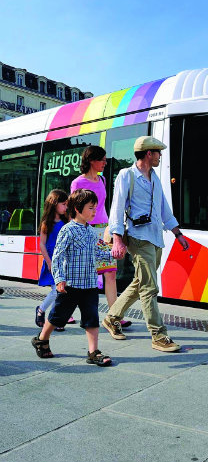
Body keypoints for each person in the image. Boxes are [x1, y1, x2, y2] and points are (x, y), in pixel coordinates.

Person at [103, 136, 189, 352]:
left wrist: (178, 234)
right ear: (148, 154)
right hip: (138, 238)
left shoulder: (154, 178)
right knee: (149, 287)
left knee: (140, 282)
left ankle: (112, 317)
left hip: (155, 238)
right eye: (158, 152)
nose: (160, 156)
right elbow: (117, 208)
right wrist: (117, 239)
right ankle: (158, 335)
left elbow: (163, 209)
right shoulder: (127, 175)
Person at [31, 189, 114, 366]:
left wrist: (113, 254)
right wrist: (59, 278)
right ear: (77, 208)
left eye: (95, 208)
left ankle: (93, 352)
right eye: (91, 208)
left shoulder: (92, 232)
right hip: (70, 285)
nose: (94, 212)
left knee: (92, 318)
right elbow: (58, 256)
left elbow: (99, 253)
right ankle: (42, 339)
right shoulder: (67, 230)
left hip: (90, 284)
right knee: (58, 316)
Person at [70, 145, 131, 329]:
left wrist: (112, 228)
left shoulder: (103, 179)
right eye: (102, 159)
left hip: (105, 230)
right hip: (87, 231)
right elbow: (74, 212)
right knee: (85, 275)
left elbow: (104, 206)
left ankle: (114, 316)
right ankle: (71, 311)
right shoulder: (77, 183)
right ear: (91, 160)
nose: (105, 162)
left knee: (110, 273)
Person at [35, 189, 69, 331]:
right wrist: (49, 262)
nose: (66, 207)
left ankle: (52, 318)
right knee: (56, 291)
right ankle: (42, 311)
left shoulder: (66, 221)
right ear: (54, 204)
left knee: (62, 291)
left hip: (63, 262)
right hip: (51, 261)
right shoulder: (46, 223)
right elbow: (42, 244)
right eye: (63, 204)